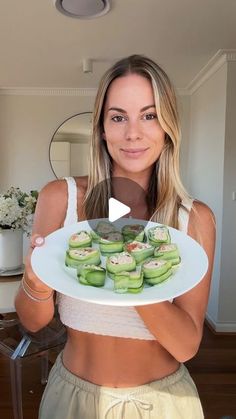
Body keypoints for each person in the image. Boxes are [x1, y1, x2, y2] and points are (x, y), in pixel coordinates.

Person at [15, 55, 215, 419]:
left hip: (164, 404)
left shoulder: (195, 219)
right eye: (118, 116)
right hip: (72, 399)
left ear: (168, 126)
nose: (133, 133)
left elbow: (187, 346)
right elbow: (32, 321)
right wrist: (35, 280)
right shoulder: (61, 198)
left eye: (149, 115)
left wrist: (130, 266)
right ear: (102, 128)